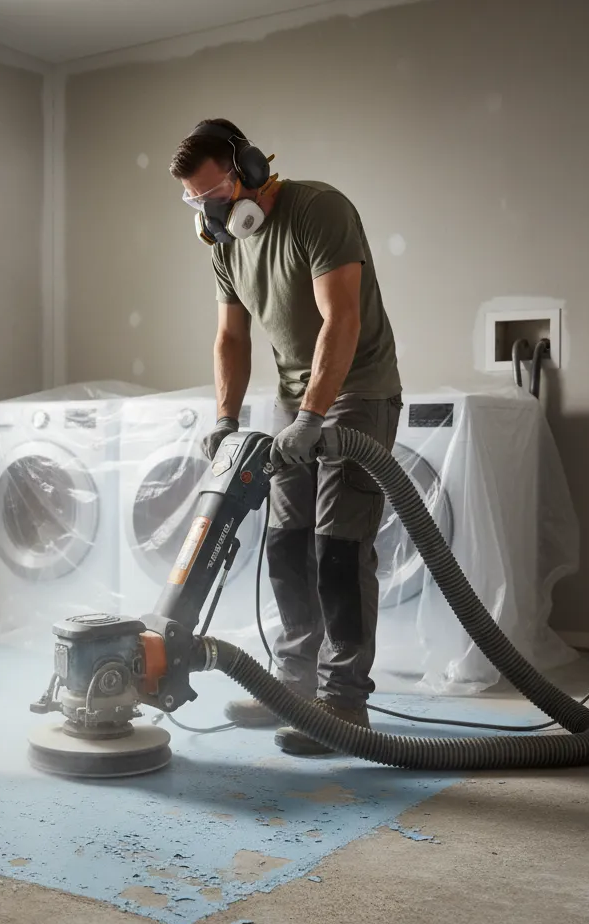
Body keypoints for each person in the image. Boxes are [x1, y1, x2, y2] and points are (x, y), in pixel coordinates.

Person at [169, 119, 403, 756]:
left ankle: (344, 701)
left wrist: (314, 415)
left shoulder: (318, 209)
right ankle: (293, 685)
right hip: (294, 402)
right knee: (284, 541)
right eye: (197, 201)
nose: (211, 211)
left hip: (357, 392)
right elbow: (231, 339)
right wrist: (225, 421)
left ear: (247, 167)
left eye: (216, 194)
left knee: (338, 549)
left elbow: (342, 317)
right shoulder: (226, 245)